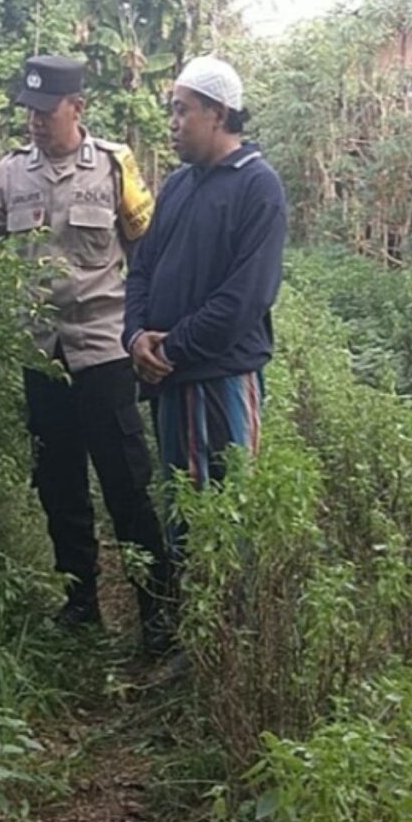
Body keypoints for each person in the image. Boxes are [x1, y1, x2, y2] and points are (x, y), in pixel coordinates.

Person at [0, 54, 173, 654]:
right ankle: (82, 604)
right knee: (59, 484)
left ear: (77, 108)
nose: (35, 123)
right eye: (29, 111)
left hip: (103, 349)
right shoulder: (11, 174)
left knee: (126, 482)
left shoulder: (114, 167)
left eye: (46, 112)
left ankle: (158, 612)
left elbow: (145, 254)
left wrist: (151, 328)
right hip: (41, 354)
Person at [123, 54, 287, 513]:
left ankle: (225, 590)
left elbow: (244, 300)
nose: (173, 123)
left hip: (220, 379)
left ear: (217, 114)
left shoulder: (258, 187)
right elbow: (142, 268)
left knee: (224, 513)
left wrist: (170, 350)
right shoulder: (178, 185)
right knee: (181, 507)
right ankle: (180, 587)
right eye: (172, 110)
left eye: (182, 110)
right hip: (169, 380)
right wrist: (135, 336)